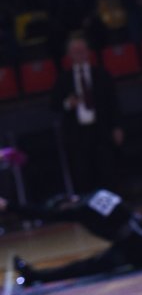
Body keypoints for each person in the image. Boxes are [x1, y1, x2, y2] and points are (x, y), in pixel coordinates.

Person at [1, 189, 142, 286]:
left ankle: (35, 276)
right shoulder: (96, 194)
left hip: (135, 247)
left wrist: (9, 206)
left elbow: (44, 213)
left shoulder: (81, 209)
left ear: (66, 205)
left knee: (88, 266)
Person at [52, 33, 124, 193]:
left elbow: (113, 102)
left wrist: (117, 127)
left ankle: (114, 202)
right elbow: (54, 104)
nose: (79, 54)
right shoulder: (64, 78)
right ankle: (88, 204)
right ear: (69, 55)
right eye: (75, 51)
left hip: (101, 129)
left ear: (88, 52)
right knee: (83, 172)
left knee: (107, 169)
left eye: (82, 50)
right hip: (77, 133)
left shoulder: (101, 73)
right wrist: (68, 103)